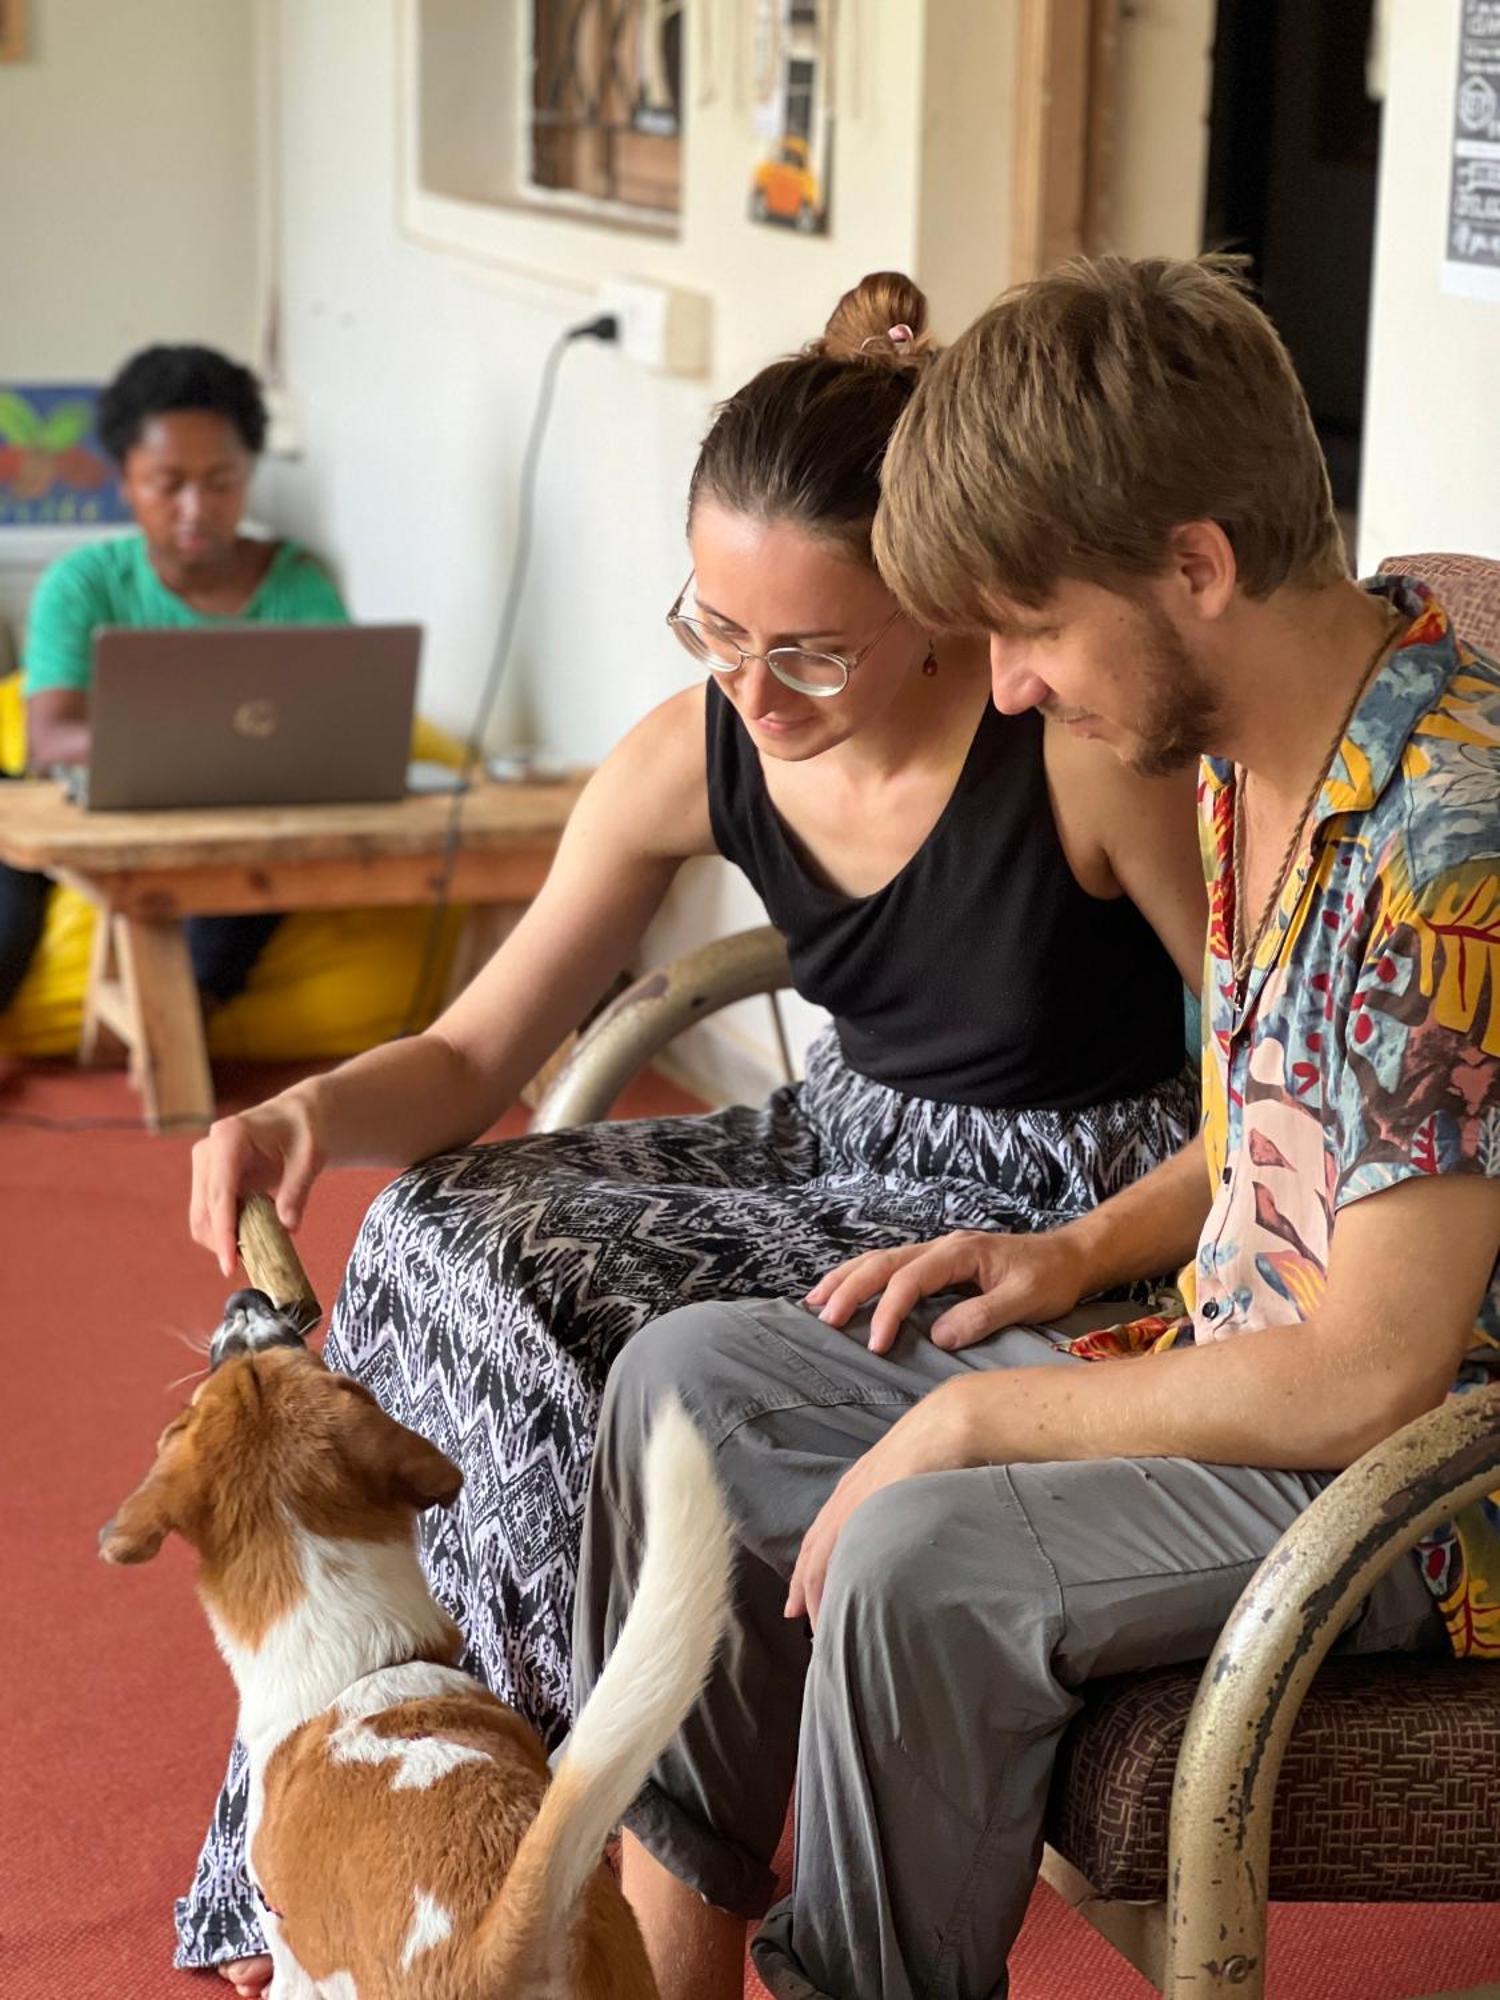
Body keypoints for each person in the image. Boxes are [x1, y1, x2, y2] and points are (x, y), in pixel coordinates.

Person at [179, 273, 1207, 1991]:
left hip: (1053, 1203)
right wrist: (305, 1110)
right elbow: (470, 1047)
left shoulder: (1077, 754)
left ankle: (630, 1930)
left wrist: (1093, 1247)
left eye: (811, 649)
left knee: (623, 1341)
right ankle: (437, 1866)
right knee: (442, 1239)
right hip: (832, 1145)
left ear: (948, 601)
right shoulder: (701, 743)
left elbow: (1270, 1092)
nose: (758, 689)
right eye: (715, 634)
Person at [571, 253, 1500, 2000]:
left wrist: (989, 1420)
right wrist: (1070, 1251)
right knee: (692, 1387)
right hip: (1242, 1365)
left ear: (1197, 568)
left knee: (924, 1544)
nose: (1002, 690)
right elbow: (1283, 1142)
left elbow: (1372, 1373)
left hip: (1415, 1495)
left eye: (1030, 628)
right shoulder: (1267, 726)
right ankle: (664, 1965)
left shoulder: (1449, 846)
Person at [0, 345, 348, 1016]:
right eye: (169, 483)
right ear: (126, 481)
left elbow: (343, 725)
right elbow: (51, 736)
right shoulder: (84, 583)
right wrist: (210, 747)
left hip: (243, 828)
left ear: (249, 475)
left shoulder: (297, 585)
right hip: (98, 815)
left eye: (221, 481)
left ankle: (182, 1020)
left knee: (252, 884)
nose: (196, 508)